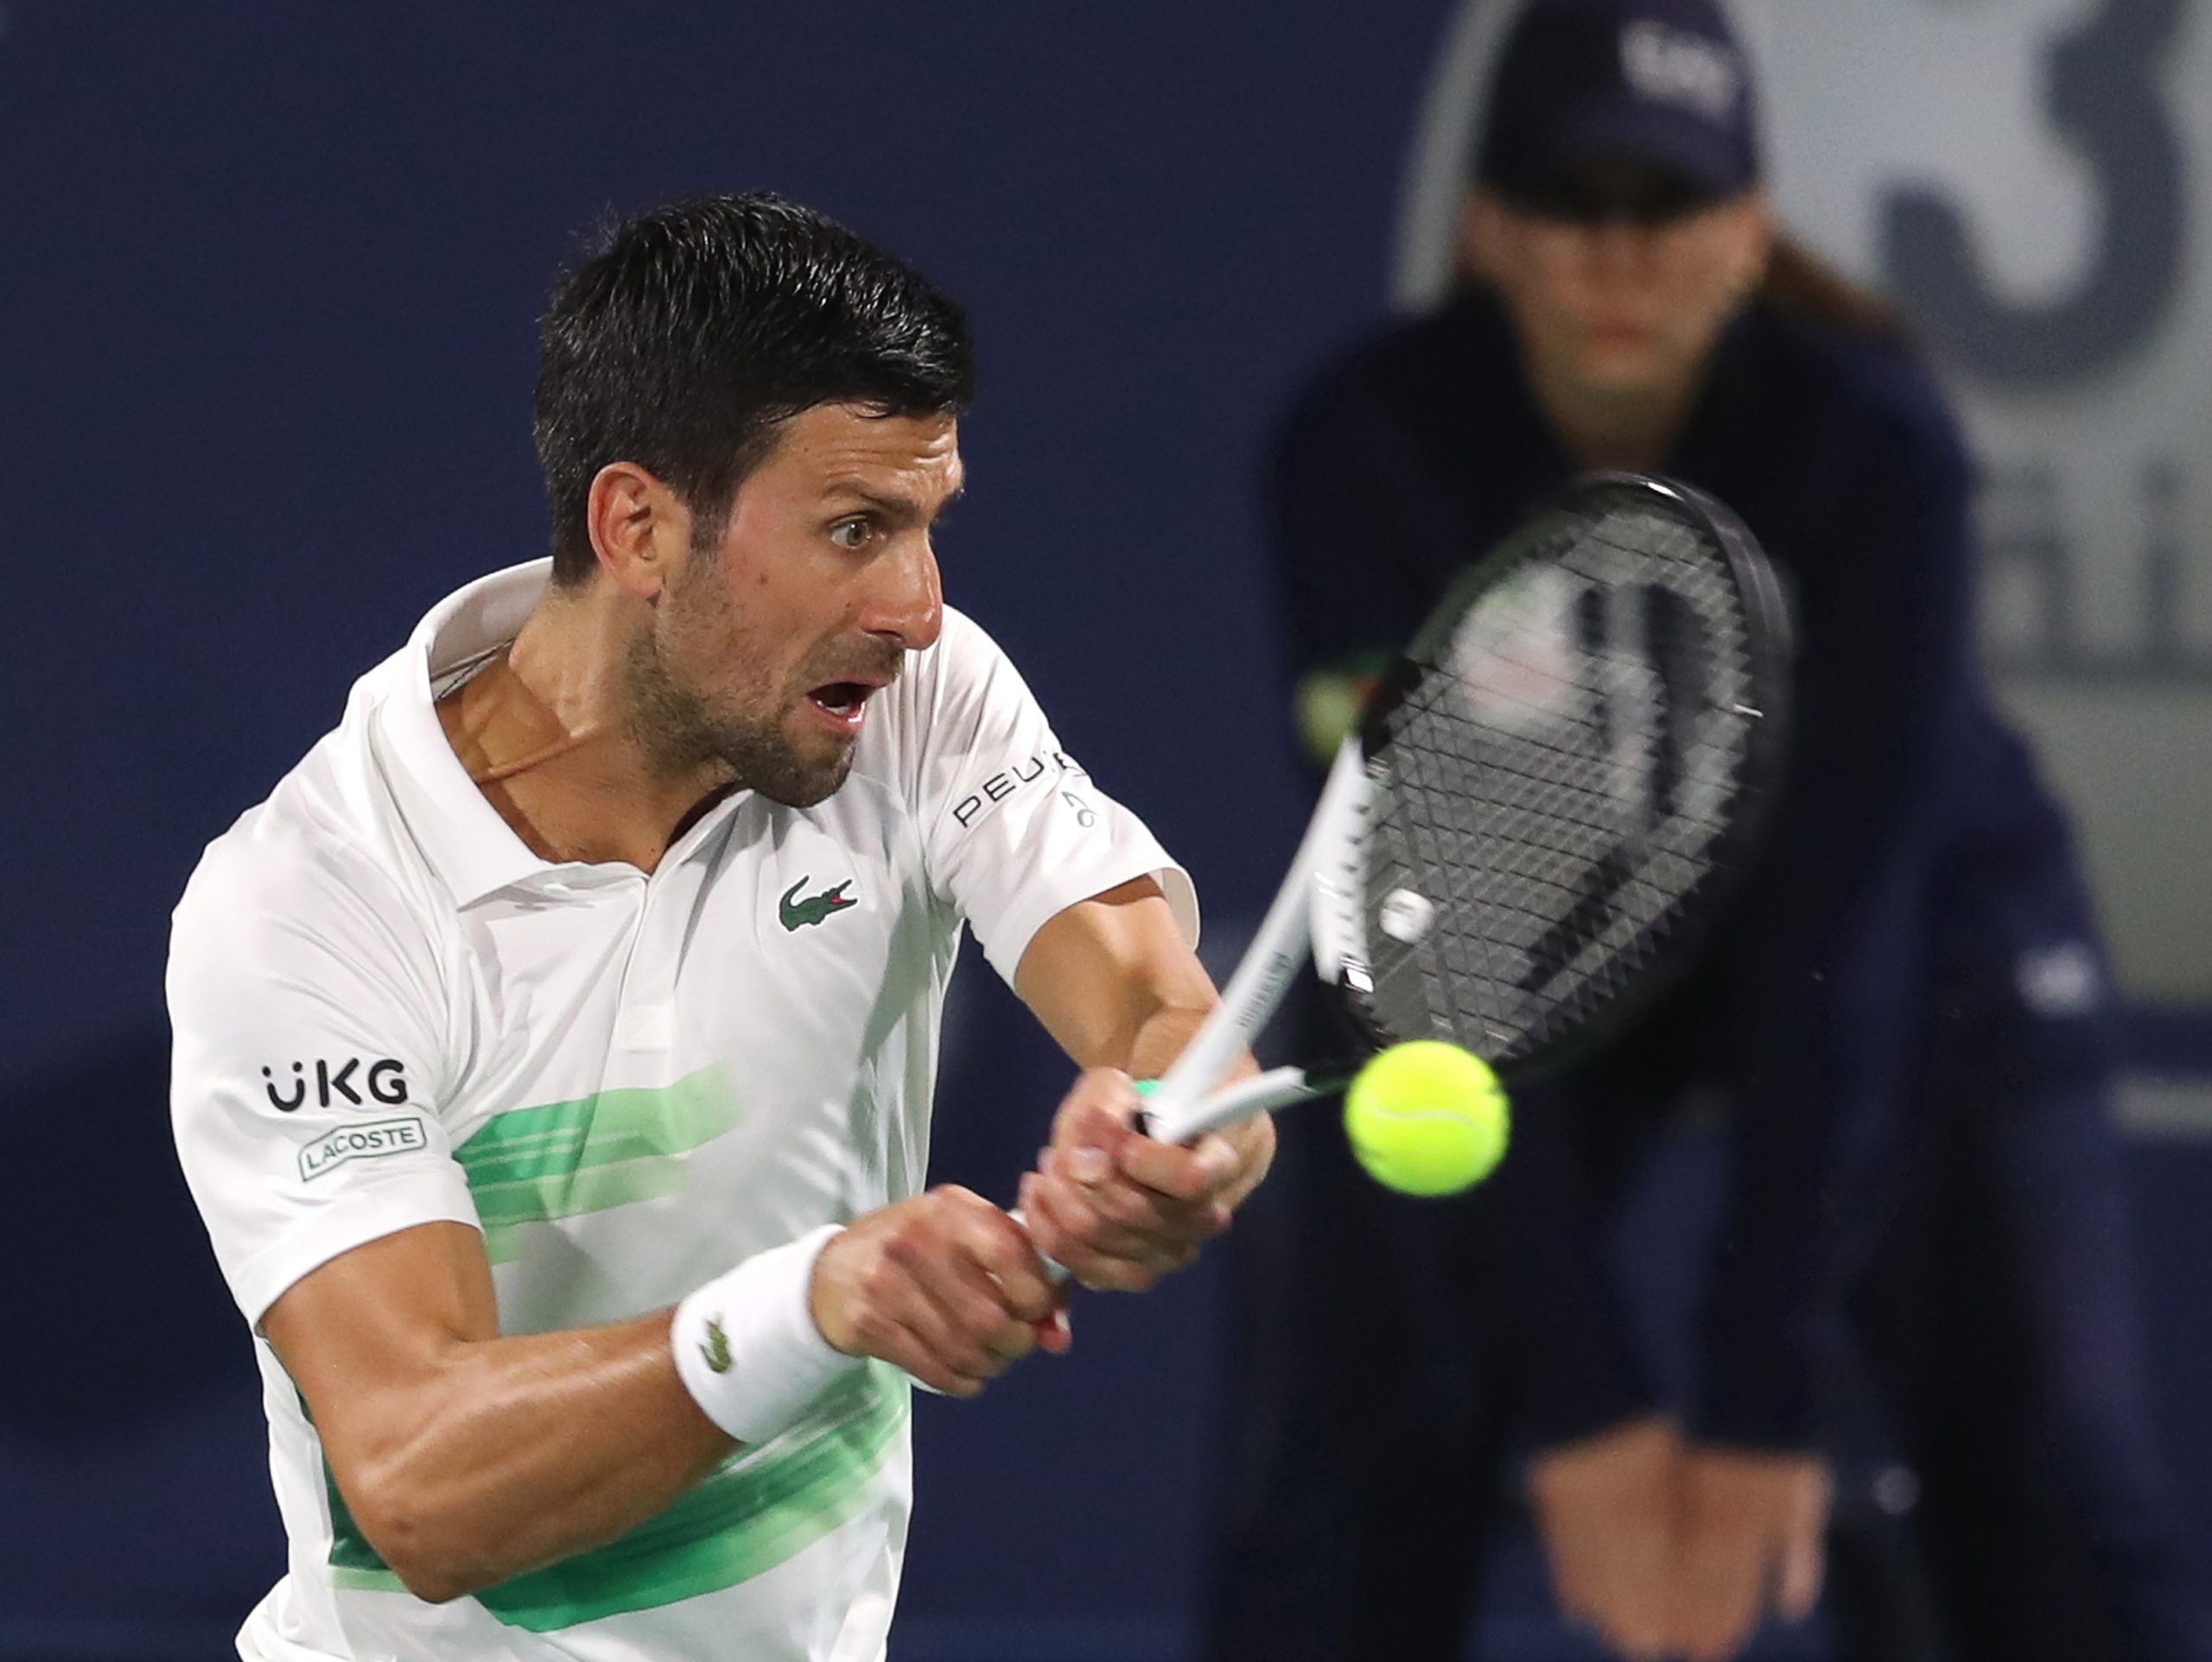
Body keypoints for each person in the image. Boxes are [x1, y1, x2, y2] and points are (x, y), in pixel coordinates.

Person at [1202, 2, 2199, 1659]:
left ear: (1746, 233)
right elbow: (1404, 937)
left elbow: (1846, 943)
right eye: (1568, 203)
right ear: (1488, 230)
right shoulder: (1360, 453)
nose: (1617, 255)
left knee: (2060, 1496)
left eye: (1664, 206)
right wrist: (1592, 1411)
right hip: (1505, 956)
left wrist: (1757, 1400)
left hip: (1899, 938)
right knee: (1353, 1456)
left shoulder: (1876, 454)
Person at [167, 193, 1274, 1662]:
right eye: (854, 529)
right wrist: (814, 1307)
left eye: (928, 527)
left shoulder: (917, 705)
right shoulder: (312, 906)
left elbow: (1153, 1001)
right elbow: (421, 1484)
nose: (919, 607)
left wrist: (1174, 1125)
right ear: (638, 524)